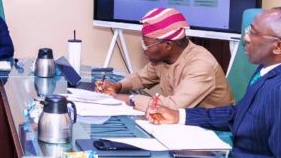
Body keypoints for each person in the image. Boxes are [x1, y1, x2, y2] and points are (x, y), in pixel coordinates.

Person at [146, 7, 281, 158]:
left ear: (278, 47)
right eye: (248, 30)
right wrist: (179, 116)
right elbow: (239, 113)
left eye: (253, 33)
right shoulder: (269, 69)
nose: (245, 38)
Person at [98, 7, 233, 111]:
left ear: (168, 45)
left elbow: (173, 106)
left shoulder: (201, 64)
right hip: (182, 124)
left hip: (215, 132)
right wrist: (117, 86)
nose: (144, 48)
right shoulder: (163, 59)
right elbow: (140, 78)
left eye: (147, 44)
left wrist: (127, 99)